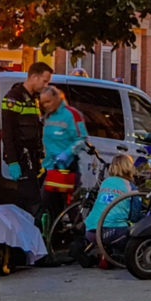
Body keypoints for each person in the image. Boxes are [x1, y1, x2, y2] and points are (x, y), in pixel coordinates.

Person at [2, 61, 53, 216]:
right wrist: (12, 160)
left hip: (33, 158)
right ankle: (36, 237)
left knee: (24, 202)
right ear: (34, 77)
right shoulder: (14, 97)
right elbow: (7, 131)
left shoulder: (34, 99)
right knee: (34, 201)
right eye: (44, 81)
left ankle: (19, 237)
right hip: (22, 157)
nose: (46, 86)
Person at [80, 154, 142, 267]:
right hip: (113, 233)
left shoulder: (105, 182)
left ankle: (106, 255)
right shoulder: (131, 187)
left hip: (91, 231)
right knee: (133, 229)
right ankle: (119, 257)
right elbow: (134, 216)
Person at [40, 85, 88, 219]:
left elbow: (82, 139)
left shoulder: (71, 114)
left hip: (67, 169)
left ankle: (79, 236)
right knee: (51, 207)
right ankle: (56, 237)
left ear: (57, 98)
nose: (46, 105)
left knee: (69, 208)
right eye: (43, 103)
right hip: (49, 168)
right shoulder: (47, 117)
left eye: (48, 101)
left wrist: (67, 153)